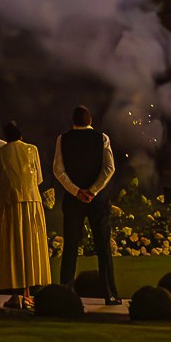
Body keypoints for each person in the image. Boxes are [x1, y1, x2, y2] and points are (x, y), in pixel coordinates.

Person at [51, 105, 119, 303]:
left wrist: (76, 191)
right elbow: (109, 168)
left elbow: (58, 170)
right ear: (90, 120)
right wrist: (93, 190)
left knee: (70, 246)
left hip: (73, 200)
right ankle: (109, 293)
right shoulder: (102, 138)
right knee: (103, 247)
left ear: (73, 121)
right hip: (98, 200)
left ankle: (66, 291)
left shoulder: (63, 139)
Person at [0, 120, 50, 297]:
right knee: (32, 244)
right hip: (32, 202)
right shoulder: (32, 149)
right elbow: (39, 178)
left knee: (12, 245)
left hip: (10, 203)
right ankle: (30, 288)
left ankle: (15, 290)